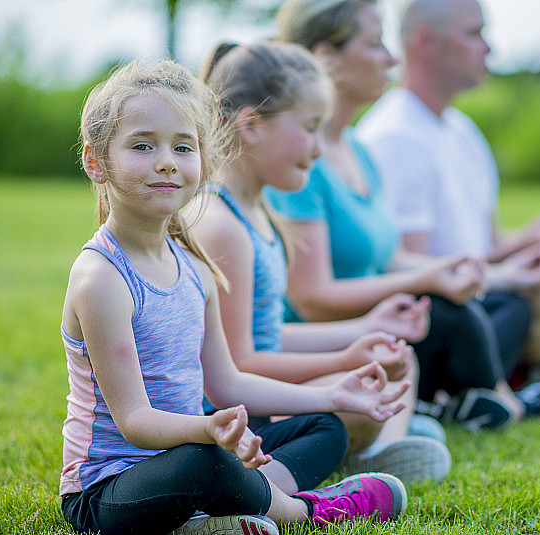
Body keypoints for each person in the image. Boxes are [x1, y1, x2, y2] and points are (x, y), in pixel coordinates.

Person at [59, 59, 410, 535]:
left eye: (183, 147)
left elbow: (227, 383)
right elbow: (135, 421)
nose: (166, 160)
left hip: (193, 456)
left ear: (203, 161)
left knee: (324, 425)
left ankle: (222, 513)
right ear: (96, 161)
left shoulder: (195, 269)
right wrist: (207, 431)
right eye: (143, 145)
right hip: (108, 493)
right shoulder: (101, 278)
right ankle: (302, 511)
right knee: (205, 463)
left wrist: (332, 393)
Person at [190, 40, 451, 484]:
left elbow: (265, 336)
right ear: (251, 125)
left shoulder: (261, 213)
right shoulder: (222, 226)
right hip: (230, 414)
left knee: (392, 358)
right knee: (361, 393)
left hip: (253, 398)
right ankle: (371, 447)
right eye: (310, 128)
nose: (318, 148)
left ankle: (380, 444)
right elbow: (238, 366)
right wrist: (342, 361)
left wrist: (364, 329)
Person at [267, 0, 535, 430]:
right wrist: (426, 280)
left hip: (379, 325)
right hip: (326, 344)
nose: (392, 58)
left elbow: (393, 258)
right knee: (455, 316)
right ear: (326, 58)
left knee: (507, 305)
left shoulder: (357, 150)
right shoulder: (299, 161)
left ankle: (477, 398)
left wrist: (465, 270)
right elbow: (312, 299)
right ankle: (500, 400)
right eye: (375, 45)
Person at [356, 0, 540, 380]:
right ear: (428, 42)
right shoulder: (395, 138)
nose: (488, 47)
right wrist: (511, 275)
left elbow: (486, 246)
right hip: (455, 312)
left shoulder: (461, 130)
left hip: (490, 286)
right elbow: (416, 276)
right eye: (474, 33)